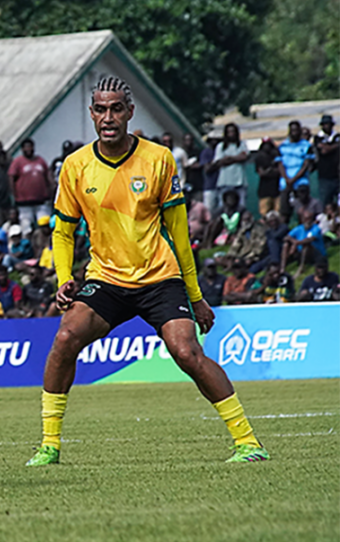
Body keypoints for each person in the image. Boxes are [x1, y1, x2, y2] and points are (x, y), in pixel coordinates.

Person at [28, 76, 267, 467]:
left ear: (129, 112)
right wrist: (63, 277)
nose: (108, 117)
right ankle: (49, 446)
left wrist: (195, 296)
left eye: (116, 108)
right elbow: (62, 230)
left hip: (160, 277)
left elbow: (179, 234)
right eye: (101, 109)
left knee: (186, 353)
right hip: (106, 279)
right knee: (65, 338)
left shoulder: (158, 159)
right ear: (91, 114)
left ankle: (248, 442)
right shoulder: (75, 166)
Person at [8, 138, 53, 232]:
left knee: (45, 224)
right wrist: (14, 195)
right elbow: (11, 178)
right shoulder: (17, 162)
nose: (29, 149)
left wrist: (50, 191)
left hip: (41, 200)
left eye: (30, 147)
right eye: (26, 147)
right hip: (24, 202)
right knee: (26, 226)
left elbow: (48, 176)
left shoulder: (40, 160)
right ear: (22, 149)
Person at [210, 123, 249, 207]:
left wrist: (229, 158)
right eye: (229, 132)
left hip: (240, 181)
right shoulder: (220, 146)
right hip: (225, 181)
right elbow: (219, 162)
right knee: (223, 206)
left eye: (233, 131)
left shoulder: (242, 145)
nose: (231, 134)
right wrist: (236, 158)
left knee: (241, 206)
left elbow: (244, 157)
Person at [282, 209, 326, 278]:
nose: (308, 221)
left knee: (306, 245)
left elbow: (310, 239)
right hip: (300, 252)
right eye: (306, 219)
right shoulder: (299, 228)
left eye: (309, 219)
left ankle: (301, 268)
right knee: (286, 245)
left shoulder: (316, 228)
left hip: (316, 254)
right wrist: (294, 242)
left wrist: (296, 243)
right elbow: (287, 237)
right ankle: (282, 268)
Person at [277, 120, 315, 195]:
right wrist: (287, 179)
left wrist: (294, 179)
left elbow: (306, 165)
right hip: (285, 182)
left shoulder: (307, 146)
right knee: (284, 205)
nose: (295, 133)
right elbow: (280, 164)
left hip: (301, 182)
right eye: (292, 130)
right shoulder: (282, 146)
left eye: (296, 130)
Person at [314, 115, 340, 205]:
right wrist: (335, 146)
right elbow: (323, 151)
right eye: (325, 124)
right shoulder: (318, 138)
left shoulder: (337, 136)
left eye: (328, 124)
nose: (327, 126)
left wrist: (328, 147)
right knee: (325, 202)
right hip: (324, 176)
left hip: (337, 175)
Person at [254, 139, 280, 216]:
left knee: (277, 213)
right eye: (265, 145)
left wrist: (270, 171)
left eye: (269, 145)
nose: (267, 147)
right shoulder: (259, 158)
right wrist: (269, 171)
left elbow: (279, 171)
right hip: (264, 190)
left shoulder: (277, 156)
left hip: (277, 189)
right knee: (264, 213)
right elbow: (261, 173)